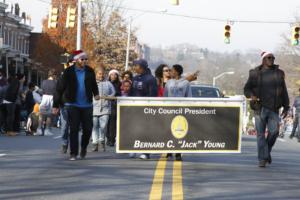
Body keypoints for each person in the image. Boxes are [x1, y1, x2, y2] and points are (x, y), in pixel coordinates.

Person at [244, 52, 290, 168]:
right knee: (260, 134)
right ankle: (262, 159)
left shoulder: (279, 73)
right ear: (263, 59)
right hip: (259, 108)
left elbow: (284, 90)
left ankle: (266, 152)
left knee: (274, 132)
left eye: (273, 58)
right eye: (269, 58)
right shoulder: (255, 73)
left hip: (274, 109)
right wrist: (251, 95)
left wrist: (286, 106)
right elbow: (246, 89)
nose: (271, 60)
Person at [53, 50, 100, 161]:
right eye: (82, 59)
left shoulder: (89, 71)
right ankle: (73, 153)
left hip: (87, 105)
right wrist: (55, 105)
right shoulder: (68, 72)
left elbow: (94, 85)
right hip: (72, 104)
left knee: (88, 129)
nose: (84, 61)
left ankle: (83, 147)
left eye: (85, 59)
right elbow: (59, 89)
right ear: (76, 60)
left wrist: (96, 94)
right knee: (73, 129)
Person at [164, 64, 192, 161]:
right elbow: (165, 96)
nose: (170, 72)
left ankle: (178, 152)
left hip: (181, 109)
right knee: (169, 130)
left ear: (176, 72)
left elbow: (189, 97)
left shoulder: (186, 83)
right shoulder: (169, 82)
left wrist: (187, 109)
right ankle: (169, 150)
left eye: (172, 70)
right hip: (170, 109)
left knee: (179, 131)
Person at [132, 59, 158, 159]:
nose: (135, 68)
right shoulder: (134, 78)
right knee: (134, 130)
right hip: (134, 109)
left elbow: (153, 95)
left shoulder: (151, 79)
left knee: (145, 130)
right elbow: (131, 93)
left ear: (142, 67)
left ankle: (145, 152)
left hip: (146, 109)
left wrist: (149, 107)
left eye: (136, 66)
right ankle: (133, 149)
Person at [92, 67, 115, 152]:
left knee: (103, 126)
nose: (101, 75)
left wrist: (108, 97)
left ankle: (102, 141)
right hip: (94, 108)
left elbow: (113, 92)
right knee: (94, 127)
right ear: (96, 74)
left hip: (105, 109)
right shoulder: (92, 83)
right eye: (99, 74)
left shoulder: (108, 83)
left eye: (102, 74)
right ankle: (95, 143)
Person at [37, 69, 57, 136]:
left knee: (41, 114)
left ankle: (39, 129)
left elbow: (42, 91)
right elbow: (56, 92)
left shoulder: (44, 82)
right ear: (54, 75)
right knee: (49, 115)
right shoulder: (55, 82)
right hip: (51, 98)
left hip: (44, 97)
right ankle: (47, 130)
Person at [107, 69, 121, 147]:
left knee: (113, 122)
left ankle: (112, 139)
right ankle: (108, 137)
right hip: (106, 105)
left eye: (115, 74)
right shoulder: (106, 84)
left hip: (115, 105)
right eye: (112, 74)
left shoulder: (119, 84)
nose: (113, 76)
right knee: (107, 123)